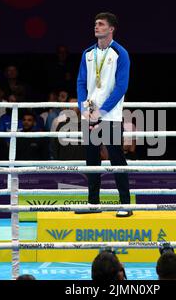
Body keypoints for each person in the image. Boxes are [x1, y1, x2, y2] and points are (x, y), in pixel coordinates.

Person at [76, 12, 132, 217]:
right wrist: (85, 109)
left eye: (100, 24)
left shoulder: (120, 53)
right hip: (90, 115)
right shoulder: (87, 53)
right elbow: (81, 83)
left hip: (111, 116)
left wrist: (102, 111)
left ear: (111, 29)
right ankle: (93, 203)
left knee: (117, 158)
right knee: (91, 160)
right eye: (95, 23)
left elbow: (121, 87)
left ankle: (126, 204)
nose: (96, 27)